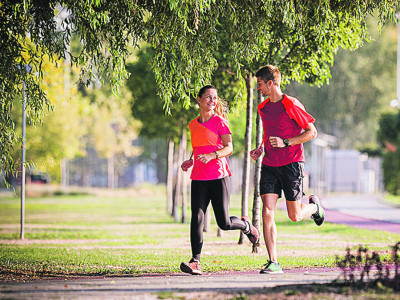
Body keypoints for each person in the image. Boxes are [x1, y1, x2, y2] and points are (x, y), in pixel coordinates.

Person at [249, 65, 325, 274]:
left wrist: (287, 142)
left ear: (271, 83)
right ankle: (273, 261)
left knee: (295, 215)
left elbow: (312, 132)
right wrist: (260, 149)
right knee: (267, 211)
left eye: (261, 84)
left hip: (292, 164)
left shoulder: (291, 104)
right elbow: (268, 132)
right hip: (270, 165)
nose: (259, 88)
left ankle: (315, 208)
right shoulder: (263, 107)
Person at [180, 85, 260, 275]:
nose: (212, 101)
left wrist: (213, 155)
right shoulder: (193, 124)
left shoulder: (219, 122)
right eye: (208, 97)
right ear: (198, 99)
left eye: (214, 98)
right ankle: (195, 261)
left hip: (218, 176)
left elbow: (229, 147)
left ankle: (247, 227)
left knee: (223, 222)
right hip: (198, 176)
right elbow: (199, 147)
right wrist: (191, 160)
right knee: (196, 218)